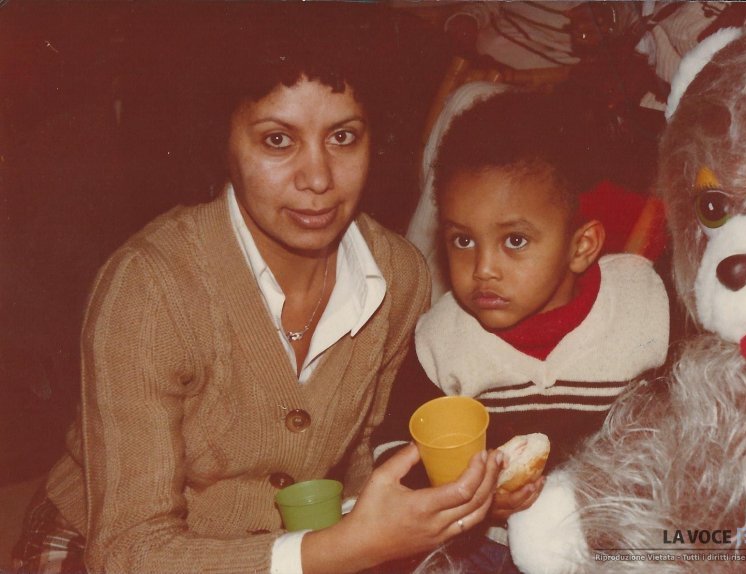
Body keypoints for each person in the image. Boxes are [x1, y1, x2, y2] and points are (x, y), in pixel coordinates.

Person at [12, 8, 503, 574]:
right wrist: (342, 549)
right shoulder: (149, 289)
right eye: (277, 140)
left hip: (292, 546)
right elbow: (126, 550)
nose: (318, 179)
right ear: (223, 143)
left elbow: (368, 462)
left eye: (343, 137)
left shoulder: (399, 276)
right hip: (103, 543)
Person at [373, 88, 670, 573]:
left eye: (514, 240)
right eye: (462, 240)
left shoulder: (646, 305)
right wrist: (469, 498)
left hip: (622, 538)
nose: (483, 268)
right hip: (488, 545)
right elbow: (394, 455)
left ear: (580, 247)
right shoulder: (442, 341)